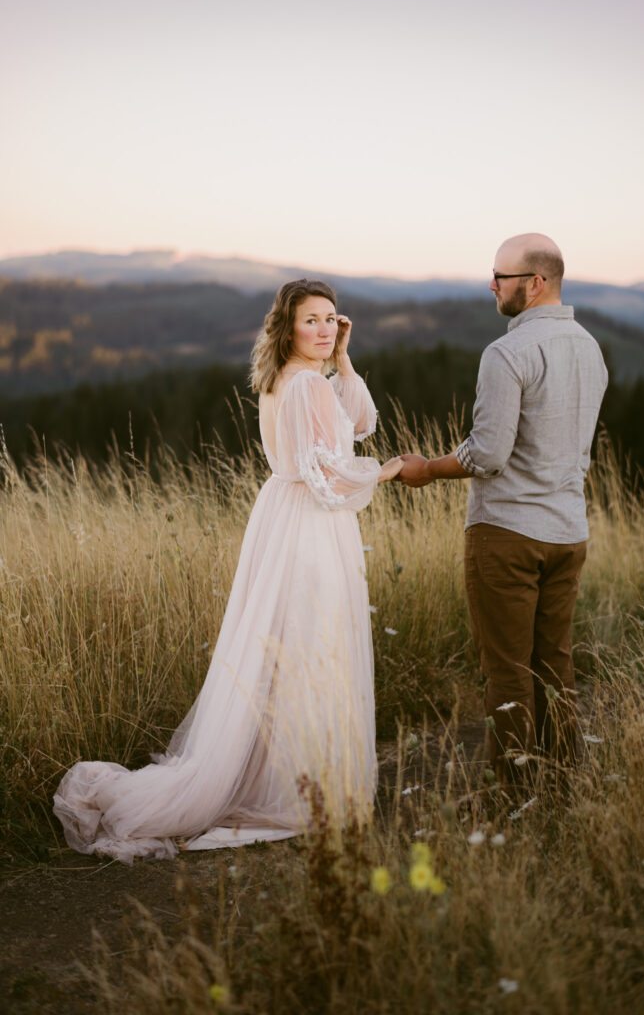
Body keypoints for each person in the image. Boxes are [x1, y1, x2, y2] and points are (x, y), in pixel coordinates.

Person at [54, 278, 402, 863]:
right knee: (312, 645)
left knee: (278, 647)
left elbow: (358, 416)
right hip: (312, 527)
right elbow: (332, 475)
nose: (323, 330)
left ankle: (279, 773)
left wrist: (342, 358)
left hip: (278, 517)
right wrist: (389, 472)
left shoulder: (283, 382)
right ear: (288, 326)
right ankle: (301, 787)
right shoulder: (308, 389)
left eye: (332, 320)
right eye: (312, 321)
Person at [398, 234, 608, 788]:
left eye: (501, 276)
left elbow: (488, 454)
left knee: (507, 672)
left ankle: (512, 798)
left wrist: (427, 469)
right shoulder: (589, 346)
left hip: (508, 532)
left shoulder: (507, 352)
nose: (492, 285)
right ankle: (558, 785)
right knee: (554, 666)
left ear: (535, 283)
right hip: (568, 533)